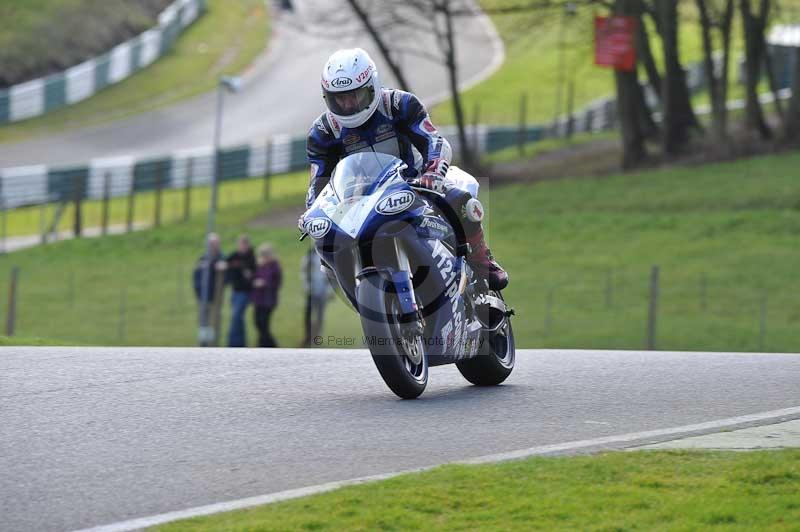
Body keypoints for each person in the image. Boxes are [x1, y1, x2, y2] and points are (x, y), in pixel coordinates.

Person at [301, 48, 508, 291]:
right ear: (328, 97)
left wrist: (433, 173)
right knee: (324, 242)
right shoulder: (323, 131)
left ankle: (481, 258)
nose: (347, 104)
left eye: (354, 95)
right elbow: (318, 180)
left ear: (371, 87)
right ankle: (356, 290)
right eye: (339, 98)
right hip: (357, 204)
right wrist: (312, 211)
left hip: (414, 186)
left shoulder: (399, 104)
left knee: (460, 199)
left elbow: (434, 140)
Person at [192, 232, 226, 346]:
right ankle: (203, 345)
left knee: (214, 322)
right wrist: (198, 291)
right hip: (202, 296)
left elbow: (227, 278)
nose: (213, 246)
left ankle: (213, 345)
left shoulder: (222, 259)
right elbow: (196, 277)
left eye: (215, 243)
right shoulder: (202, 259)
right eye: (211, 243)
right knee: (203, 322)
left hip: (215, 297)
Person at [225, 234, 256, 347]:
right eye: (241, 244)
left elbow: (252, 272)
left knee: (236, 316)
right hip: (235, 291)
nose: (242, 247)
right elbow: (226, 263)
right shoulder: (234, 256)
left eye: (244, 244)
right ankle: (241, 343)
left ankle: (233, 343)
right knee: (238, 318)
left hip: (245, 292)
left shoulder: (251, 257)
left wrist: (248, 274)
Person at [251, 243, 282, 347]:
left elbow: (276, 282)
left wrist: (264, 283)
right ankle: (264, 343)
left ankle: (268, 344)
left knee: (263, 322)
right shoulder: (260, 266)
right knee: (257, 321)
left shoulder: (274, 266)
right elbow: (254, 277)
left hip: (268, 299)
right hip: (258, 298)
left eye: (265, 254)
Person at [301, 247, 333, 347]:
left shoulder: (328, 256)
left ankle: (317, 337)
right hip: (312, 290)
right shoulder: (310, 255)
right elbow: (304, 270)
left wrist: (329, 289)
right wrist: (306, 284)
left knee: (320, 315)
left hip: (323, 291)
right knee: (308, 315)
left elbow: (333, 275)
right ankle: (308, 336)